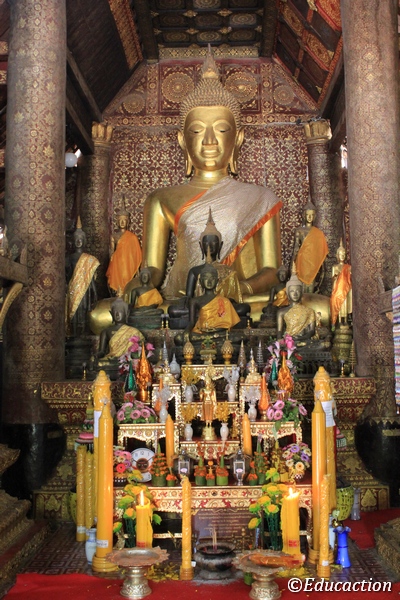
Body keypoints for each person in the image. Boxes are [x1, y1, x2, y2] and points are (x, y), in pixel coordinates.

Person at [129, 46, 282, 303]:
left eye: (221, 130)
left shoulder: (261, 198)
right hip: (182, 301)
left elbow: (272, 271)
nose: (209, 141)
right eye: (197, 131)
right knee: (104, 314)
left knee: (307, 306)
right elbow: (153, 270)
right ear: (182, 140)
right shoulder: (160, 199)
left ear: (238, 139)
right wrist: (137, 285)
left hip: (238, 302)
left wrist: (240, 289)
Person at [65, 218, 99, 336]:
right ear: (72, 241)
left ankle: (83, 334)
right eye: (76, 239)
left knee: (84, 310)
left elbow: (91, 279)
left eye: (81, 239)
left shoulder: (89, 259)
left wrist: (95, 293)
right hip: (72, 288)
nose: (78, 241)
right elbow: (66, 276)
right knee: (73, 312)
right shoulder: (69, 258)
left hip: (85, 289)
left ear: (84, 241)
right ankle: (74, 334)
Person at [187, 263, 241, 335]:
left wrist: (218, 330)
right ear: (200, 281)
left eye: (212, 278)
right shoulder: (194, 301)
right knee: (179, 338)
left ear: (217, 281)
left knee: (239, 337)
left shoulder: (225, 301)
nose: (209, 282)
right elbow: (191, 322)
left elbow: (227, 325)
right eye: (206, 278)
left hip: (220, 333)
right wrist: (186, 332)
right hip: (202, 333)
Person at [291, 198, 328, 293]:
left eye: (312, 215)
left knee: (310, 288)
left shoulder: (318, 233)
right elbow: (296, 249)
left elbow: (320, 251)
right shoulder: (299, 231)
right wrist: (291, 266)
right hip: (302, 262)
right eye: (308, 215)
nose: (310, 217)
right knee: (301, 290)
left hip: (312, 263)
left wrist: (322, 268)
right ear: (304, 215)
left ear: (314, 216)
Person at [106, 203, 142, 296]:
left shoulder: (132, 237)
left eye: (124, 220)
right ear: (117, 222)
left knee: (127, 281)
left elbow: (136, 255)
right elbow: (112, 252)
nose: (122, 222)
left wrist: (137, 271)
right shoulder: (114, 236)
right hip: (117, 264)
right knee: (116, 283)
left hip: (128, 264)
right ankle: (117, 294)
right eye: (120, 220)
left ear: (128, 222)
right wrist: (112, 259)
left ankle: (127, 293)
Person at [95, 297, 143, 365]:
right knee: (100, 363)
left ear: (127, 314)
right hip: (112, 359)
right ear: (111, 314)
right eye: (115, 312)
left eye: (120, 311)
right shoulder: (106, 331)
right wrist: (96, 355)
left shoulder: (134, 331)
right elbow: (102, 351)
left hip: (127, 360)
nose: (117, 314)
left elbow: (140, 349)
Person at [276, 268, 316, 343]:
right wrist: (280, 342)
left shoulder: (310, 311)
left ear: (301, 293)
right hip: (288, 342)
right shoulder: (281, 312)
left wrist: (301, 338)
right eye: (292, 291)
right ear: (288, 293)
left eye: (298, 291)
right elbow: (279, 332)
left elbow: (312, 331)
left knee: (320, 345)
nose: (295, 294)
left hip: (304, 341)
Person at [330, 239, 352, 328]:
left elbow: (350, 279)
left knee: (345, 305)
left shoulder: (348, 267)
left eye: (344, 254)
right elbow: (332, 279)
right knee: (337, 305)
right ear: (337, 256)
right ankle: (339, 321)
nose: (342, 256)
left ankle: (345, 321)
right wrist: (335, 277)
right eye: (340, 254)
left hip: (345, 289)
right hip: (337, 289)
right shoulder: (335, 267)